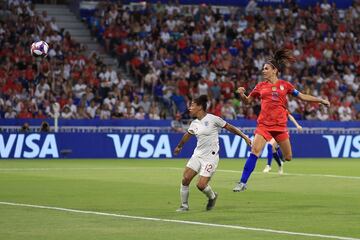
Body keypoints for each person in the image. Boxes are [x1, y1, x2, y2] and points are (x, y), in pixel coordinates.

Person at [233, 48, 330, 192]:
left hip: (280, 126)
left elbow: (302, 96)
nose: (263, 71)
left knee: (288, 157)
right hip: (264, 125)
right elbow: (247, 102)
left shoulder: (285, 85)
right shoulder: (260, 86)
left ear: (274, 70)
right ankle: (242, 182)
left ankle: (278, 161)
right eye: (263, 69)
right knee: (255, 151)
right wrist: (242, 95)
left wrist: (321, 100)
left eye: (266, 68)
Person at [174, 95, 251, 211]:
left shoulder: (213, 119)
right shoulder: (194, 123)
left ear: (200, 107)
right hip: (198, 155)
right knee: (185, 179)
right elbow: (187, 135)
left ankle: (212, 196)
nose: (190, 108)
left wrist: (244, 137)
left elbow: (230, 128)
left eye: (192, 105)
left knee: (201, 185)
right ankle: (184, 205)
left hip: (211, 157)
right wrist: (179, 146)